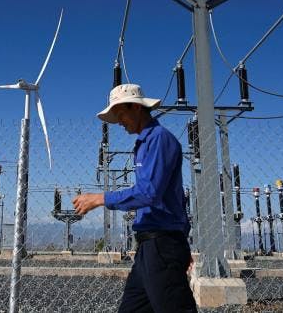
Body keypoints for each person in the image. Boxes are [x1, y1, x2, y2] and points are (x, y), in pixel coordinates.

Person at [73, 83, 197, 313]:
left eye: (120, 112)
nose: (119, 121)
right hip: (151, 247)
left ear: (136, 108)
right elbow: (178, 199)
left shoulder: (159, 140)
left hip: (162, 245)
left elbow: (149, 192)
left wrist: (100, 198)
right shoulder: (145, 143)